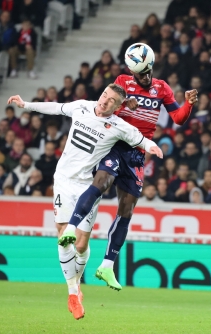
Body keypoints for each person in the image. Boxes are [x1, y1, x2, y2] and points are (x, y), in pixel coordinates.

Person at [7, 83, 163, 320]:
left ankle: (76, 283)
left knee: (80, 245)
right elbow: (56, 108)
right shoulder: (81, 107)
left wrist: (154, 147)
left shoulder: (119, 126)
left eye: (111, 101)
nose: (104, 101)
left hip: (87, 187)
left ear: (118, 106)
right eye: (104, 96)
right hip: (62, 180)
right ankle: (73, 292)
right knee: (62, 236)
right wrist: (25, 104)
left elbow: (141, 140)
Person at [61, 43, 198, 292]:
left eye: (148, 72)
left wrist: (188, 104)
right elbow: (108, 106)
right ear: (132, 72)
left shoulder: (162, 88)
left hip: (137, 153)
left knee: (126, 209)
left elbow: (178, 119)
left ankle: (107, 265)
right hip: (116, 143)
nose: (145, 78)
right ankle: (71, 226)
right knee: (100, 184)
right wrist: (126, 105)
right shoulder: (122, 81)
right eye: (141, 74)